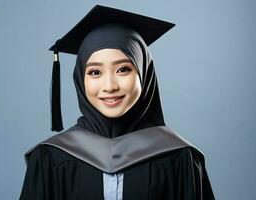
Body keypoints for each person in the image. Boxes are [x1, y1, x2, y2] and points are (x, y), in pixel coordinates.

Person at [19, 5, 215, 200]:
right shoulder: (50, 158)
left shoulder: (179, 158)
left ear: (144, 74)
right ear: (80, 78)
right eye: (95, 72)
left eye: (123, 69)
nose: (110, 86)